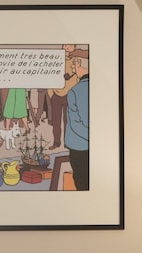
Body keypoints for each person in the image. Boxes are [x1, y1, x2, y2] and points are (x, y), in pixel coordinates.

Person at [65, 51, 89, 190]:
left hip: (79, 146)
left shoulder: (75, 90)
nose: (73, 70)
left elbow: (76, 123)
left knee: (81, 180)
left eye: (74, 66)